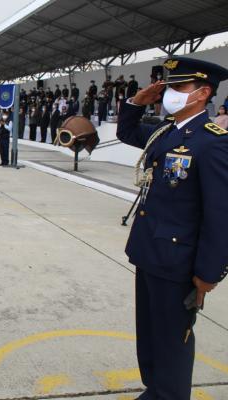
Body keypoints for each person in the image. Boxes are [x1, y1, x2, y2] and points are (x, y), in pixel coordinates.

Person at [116, 56, 228, 400]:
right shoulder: (167, 133)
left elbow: (220, 214)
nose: (170, 94)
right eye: (169, 87)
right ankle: (156, 390)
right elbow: (127, 131)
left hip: (179, 261)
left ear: (203, 93)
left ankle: (170, 394)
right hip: (150, 250)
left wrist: (209, 274)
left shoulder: (213, 142)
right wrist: (137, 101)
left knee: (173, 339)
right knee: (149, 333)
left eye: (179, 87)